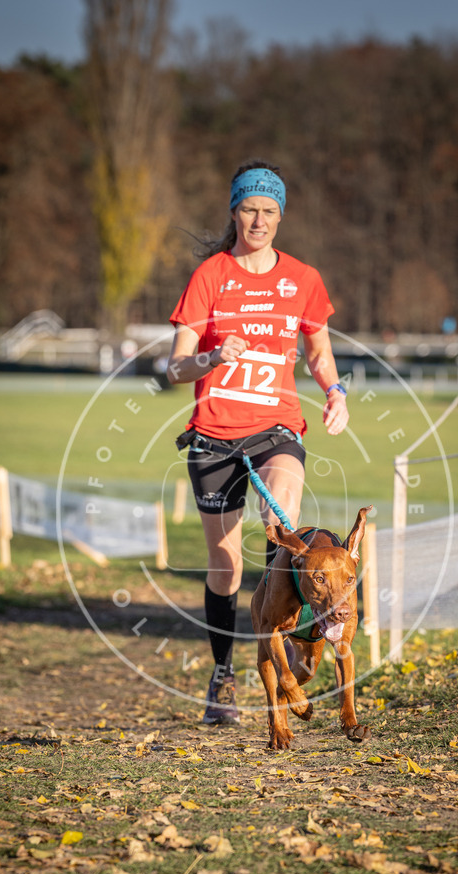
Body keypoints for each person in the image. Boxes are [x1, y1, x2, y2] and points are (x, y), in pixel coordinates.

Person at [167, 161, 349, 725]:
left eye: (270, 210)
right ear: (234, 211)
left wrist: (335, 389)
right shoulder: (211, 276)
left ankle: (293, 643)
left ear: (281, 216)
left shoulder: (303, 279)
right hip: (214, 434)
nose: (260, 220)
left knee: (282, 524)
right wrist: (212, 357)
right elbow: (175, 365)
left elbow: (318, 352)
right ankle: (222, 678)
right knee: (224, 568)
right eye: (250, 208)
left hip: (277, 428)